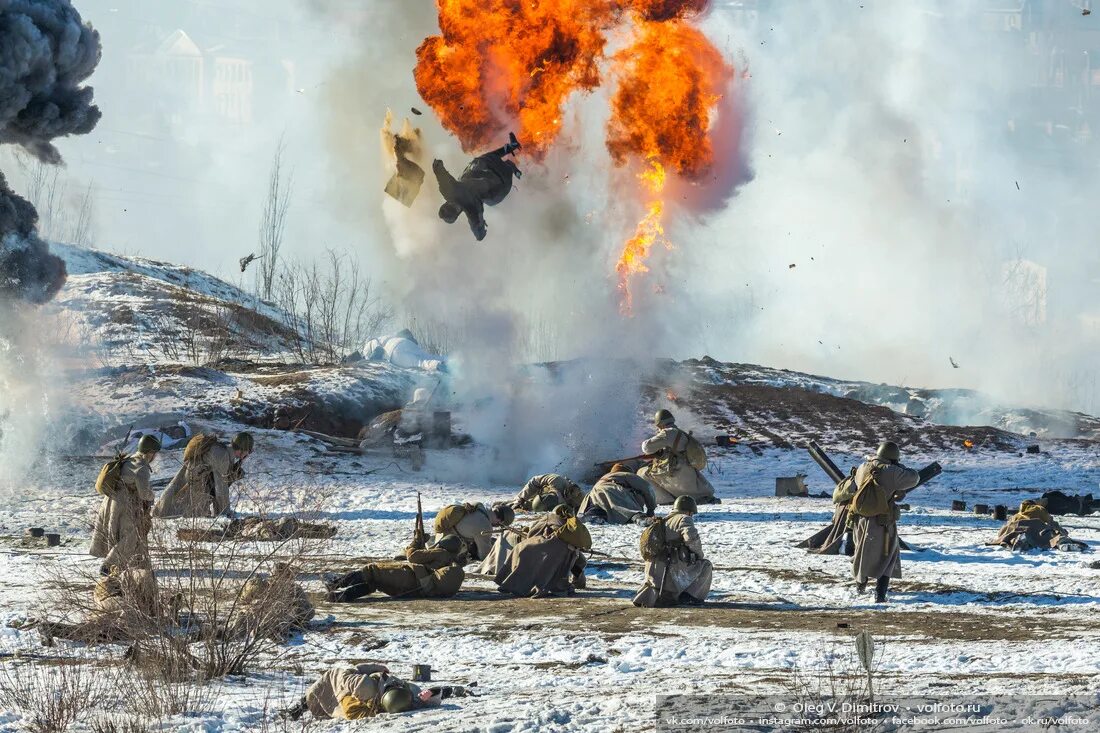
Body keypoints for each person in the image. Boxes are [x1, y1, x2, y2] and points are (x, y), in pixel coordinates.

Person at [850, 441, 920, 604]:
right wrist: (899, 467)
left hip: (860, 519)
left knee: (862, 552)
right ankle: (880, 593)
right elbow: (914, 477)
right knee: (888, 556)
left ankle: (860, 585)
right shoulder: (893, 471)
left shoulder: (862, 467)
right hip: (882, 522)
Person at [280, 663, 476, 721]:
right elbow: (428, 698)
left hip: (341, 685)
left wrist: (372, 667)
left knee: (320, 688)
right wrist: (433, 692)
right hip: (355, 685)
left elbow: (347, 673)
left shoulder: (365, 687)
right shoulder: (406, 693)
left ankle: (299, 707)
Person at [90, 435, 160, 573]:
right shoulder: (142, 468)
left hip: (112, 500)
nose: (155, 457)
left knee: (120, 533)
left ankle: (139, 563)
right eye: (154, 453)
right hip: (126, 504)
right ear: (150, 452)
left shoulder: (130, 459)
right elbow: (144, 494)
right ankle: (108, 565)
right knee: (131, 535)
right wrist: (153, 495)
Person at [325, 534, 467, 603]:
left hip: (409, 578)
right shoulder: (450, 559)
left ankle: (336, 584)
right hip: (415, 589)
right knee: (375, 583)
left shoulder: (441, 552)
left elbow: (412, 556)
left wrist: (416, 541)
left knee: (372, 570)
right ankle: (340, 597)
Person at [38, 567, 161, 646]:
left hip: (108, 601)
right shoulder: (144, 580)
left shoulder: (129, 575)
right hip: (115, 602)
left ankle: (52, 628)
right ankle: (53, 628)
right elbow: (150, 608)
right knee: (108, 630)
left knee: (96, 628)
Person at [434, 132, 522, 241]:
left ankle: (511, 151)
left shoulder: (452, 193)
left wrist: (438, 168)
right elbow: (477, 228)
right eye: (454, 209)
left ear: (447, 203)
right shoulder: (470, 209)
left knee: (481, 162)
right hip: (499, 184)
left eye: (451, 205)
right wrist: (480, 233)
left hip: (492, 178)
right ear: (457, 213)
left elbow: (442, 178)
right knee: (484, 163)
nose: (455, 205)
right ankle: (511, 163)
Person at [633, 496, 713, 608]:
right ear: (689, 510)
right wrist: (699, 555)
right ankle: (690, 597)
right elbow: (691, 539)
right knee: (706, 565)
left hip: (654, 567)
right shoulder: (684, 518)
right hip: (671, 565)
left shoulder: (663, 520)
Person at [154, 432, 253, 518]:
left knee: (179, 503)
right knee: (185, 511)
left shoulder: (223, 451)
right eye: (247, 452)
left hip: (195, 477)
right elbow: (221, 488)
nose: (247, 455)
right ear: (243, 450)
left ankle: (162, 510)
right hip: (196, 480)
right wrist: (225, 513)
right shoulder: (222, 456)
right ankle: (163, 512)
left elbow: (226, 476)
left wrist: (239, 463)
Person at [496, 507, 590, 598]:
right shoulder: (574, 529)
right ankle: (574, 583)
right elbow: (580, 562)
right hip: (568, 554)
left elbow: (532, 533)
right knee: (575, 561)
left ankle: (510, 583)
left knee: (521, 550)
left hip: (545, 550)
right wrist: (580, 582)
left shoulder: (549, 518)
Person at [638, 409, 716, 505]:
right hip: (689, 475)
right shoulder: (680, 433)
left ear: (660, 424)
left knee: (642, 473)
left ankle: (667, 500)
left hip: (676, 475)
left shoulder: (668, 433)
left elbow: (646, 447)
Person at [989, 501, 1088, 552]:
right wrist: (1063, 532)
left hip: (1018, 527)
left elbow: (1002, 532)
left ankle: (1021, 541)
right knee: (1054, 536)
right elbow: (1052, 523)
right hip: (1036, 526)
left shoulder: (1016, 516)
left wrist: (1004, 537)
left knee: (1014, 535)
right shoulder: (1039, 509)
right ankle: (1063, 544)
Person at [432, 501, 514, 561]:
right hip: (447, 543)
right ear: (499, 520)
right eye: (499, 524)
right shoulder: (485, 526)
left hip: (443, 530)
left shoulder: (479, 505)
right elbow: (485, 556)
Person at [578, 464, 657, 525]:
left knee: (598, 508)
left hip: (593, 493)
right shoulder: (627, 475)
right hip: (613, 489)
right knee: (627, 509)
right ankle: (641, 519)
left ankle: (591, 515)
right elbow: (647, 488)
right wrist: (651, 509)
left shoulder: (605, 477)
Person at [362, 329, 446, 372]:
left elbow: (376, 352)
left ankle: (438, 365)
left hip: (394, 353)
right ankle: (449, 361)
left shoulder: (368, 345)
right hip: (405, 342)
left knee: (420, 363)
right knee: (427, 356)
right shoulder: (385, 337)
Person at [511, 473, 586, 513]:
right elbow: (534, 481)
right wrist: (521, 499)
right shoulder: (555, 480)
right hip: (537, 492)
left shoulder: (579, 499)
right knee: (516, 505)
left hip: (566, 506)